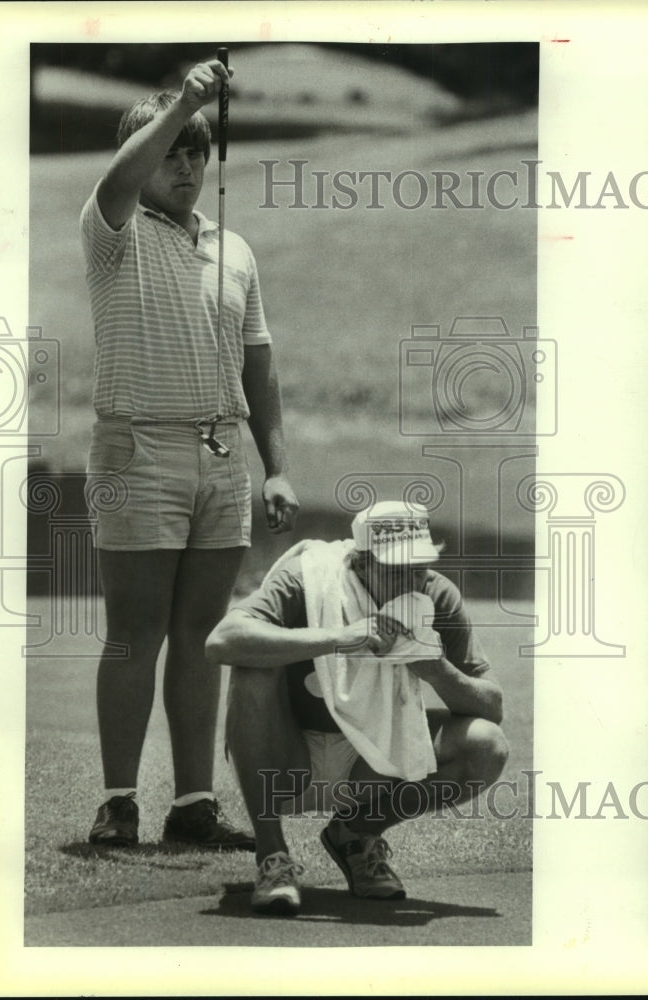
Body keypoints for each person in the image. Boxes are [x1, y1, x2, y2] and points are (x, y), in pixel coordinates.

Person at [79, 57, 299, 849]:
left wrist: (275, 465)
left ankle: (194, 803)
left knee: (202, 631)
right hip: (138, 451)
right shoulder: (112, 229)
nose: (184, 165)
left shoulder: (233, 250)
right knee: (135, 628)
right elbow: (119, 179)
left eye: (195, 153)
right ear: (139, 158)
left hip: (220, 460)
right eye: (170, 151)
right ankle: (117, 802)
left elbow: (260, 365)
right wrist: (182, 106)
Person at [206, 500, 509, 915]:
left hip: (374, 766)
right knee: (252, 667)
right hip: (286, 762)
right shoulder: (308, 579)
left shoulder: (437, 595)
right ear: (361, 563)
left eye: (418, 567)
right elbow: (222, 641)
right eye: (396, 569)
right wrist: (339, 637)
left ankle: (355, 834)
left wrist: (437, 670)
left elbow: (492, 707)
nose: (411, 582)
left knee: (486, 745)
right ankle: (272, 856)